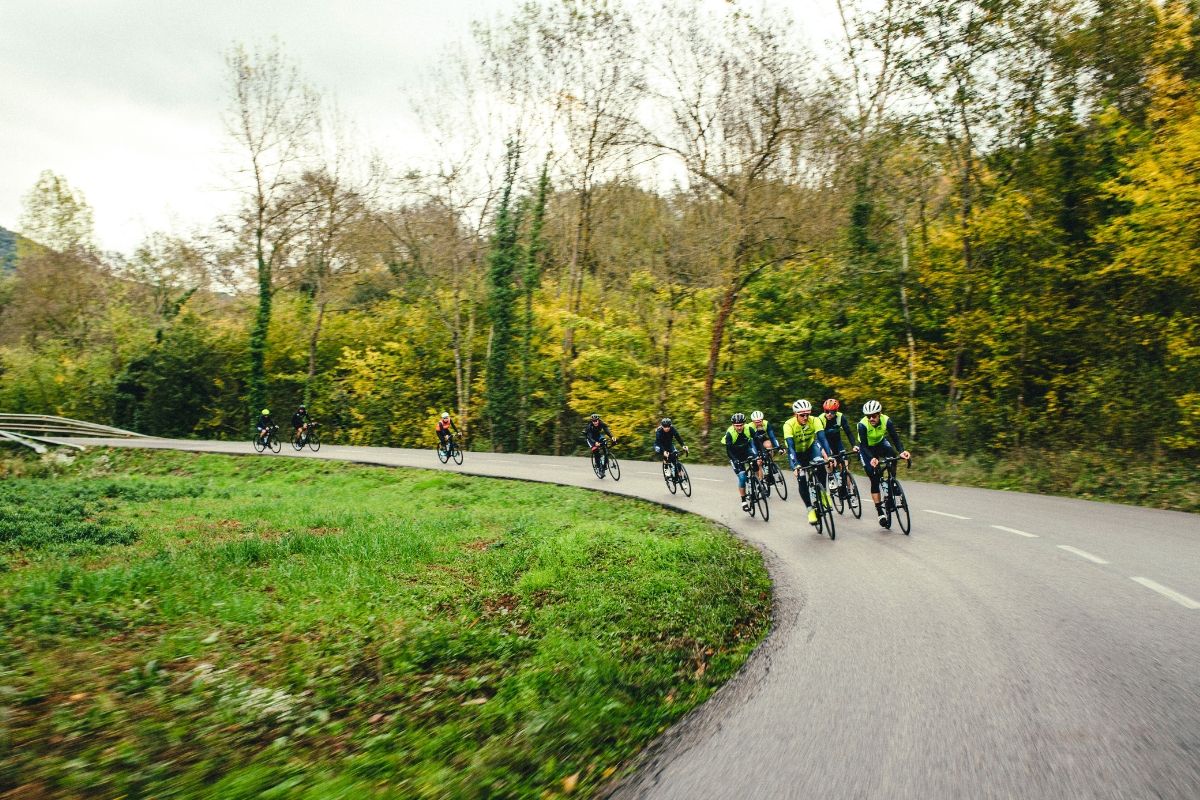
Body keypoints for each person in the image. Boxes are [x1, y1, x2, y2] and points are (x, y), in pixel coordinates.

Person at [856, 400, 912, 527]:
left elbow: (895, 438)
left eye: (873, 415)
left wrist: (902, 451)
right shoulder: (862, 425)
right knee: (874, 478)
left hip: (880, 443)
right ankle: (880, 511)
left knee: (892, 457)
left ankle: (892, 482)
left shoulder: (887, 421)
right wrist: (872, 458)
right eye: (868, 416)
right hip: (866, 449)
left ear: (879, 414)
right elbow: (863, 445)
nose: (871, 418)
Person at [782, 399, 833, 526]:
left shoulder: (815, 420)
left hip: (811, 449)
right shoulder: (788, 425)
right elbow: (791, 447)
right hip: (797, 453)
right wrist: (796, 465)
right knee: (802, 478)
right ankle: (810, 509)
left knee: (821, 464)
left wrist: (829, 456)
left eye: (807, 414)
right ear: (795, 414)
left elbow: (822, 439)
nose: (805, 417)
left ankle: (823, 493)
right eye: (802, 415)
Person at [819, 399, 858, 496]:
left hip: (837, 443)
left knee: (845, 468)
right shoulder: (820, 419)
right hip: (826, 444)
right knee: (829, 462)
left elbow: (848, 432)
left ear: (836, 411)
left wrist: (854, 445)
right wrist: (828, 452)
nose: (829, 414)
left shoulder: (841, 417)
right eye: (827, 411)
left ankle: (849, 491)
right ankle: (831, 477)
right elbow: (820, 438)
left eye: (832, 412)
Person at [722, 412, 760, 512]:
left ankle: (757, 482)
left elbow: (757, 441)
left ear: (744, 424)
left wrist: (761, 454)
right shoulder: (729, 433)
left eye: (741, 425)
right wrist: (735, 460)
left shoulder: (749, 429)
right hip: (735, 455)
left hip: (746, 450)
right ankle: (743, 501)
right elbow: (729, 451)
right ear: (733, 425)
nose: (739, 427)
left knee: (756, 462)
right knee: (742, 477)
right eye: (737, 425)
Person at [747, 410, 780, 485]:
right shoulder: (749, 427)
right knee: (758, 462)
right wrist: (756, 456)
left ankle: (770, 462)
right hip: (753, 443)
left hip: (762, 440)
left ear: (762, 420)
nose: (758, 423)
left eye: (760, 421)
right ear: (753, 421)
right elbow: (751, 443)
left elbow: (772, 437)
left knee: (769, 445)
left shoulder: (766, 423)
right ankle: (760, 481)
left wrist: (778, 447)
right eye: (756, 422)